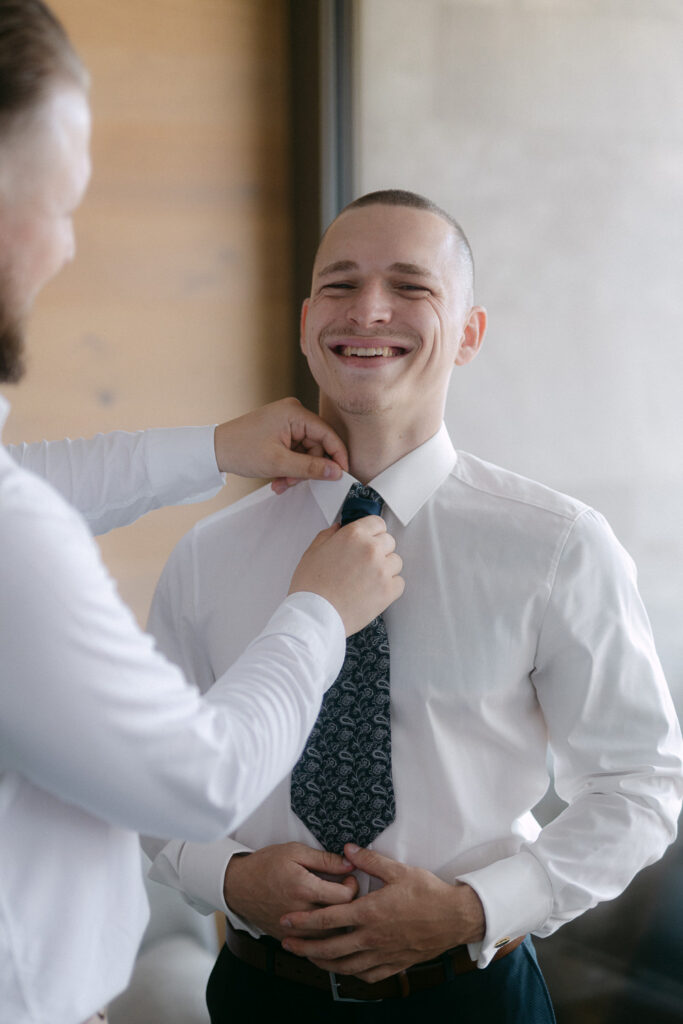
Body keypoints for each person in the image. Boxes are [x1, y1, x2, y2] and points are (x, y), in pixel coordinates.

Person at [146, 189, 683, 1023]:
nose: (368, 309)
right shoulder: (206, 557)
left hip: (474, 1000)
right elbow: (148, 778)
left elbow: (640, 784)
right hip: (258, 997)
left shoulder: (555, 545)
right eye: (339, 284)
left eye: (411, 286)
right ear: (304, 322)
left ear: (467, 333)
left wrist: (472, 909)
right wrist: (222, 875)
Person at [0, 4, 404, 1024]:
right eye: (63, 202)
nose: (65, 247)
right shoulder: (177, 557)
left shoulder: (554, 543)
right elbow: (196, 778)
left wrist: (210, 448)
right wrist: (316, 612)